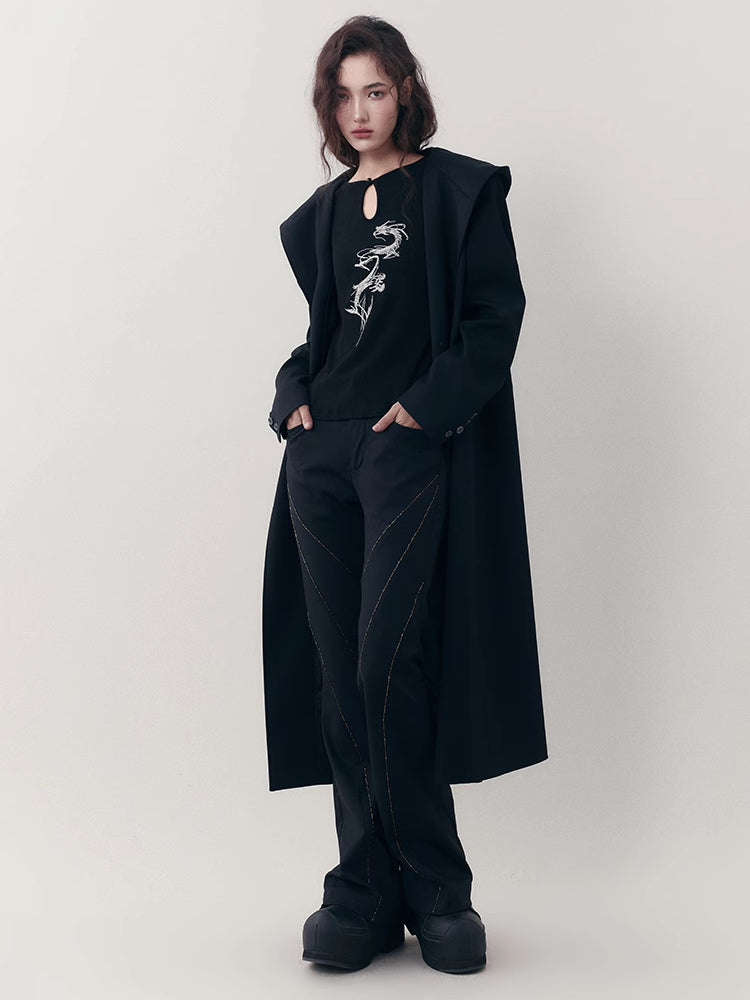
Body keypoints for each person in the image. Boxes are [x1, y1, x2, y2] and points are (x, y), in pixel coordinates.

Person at [262, 15, 548, 975]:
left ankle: (436, 885)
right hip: (320, 456)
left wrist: (422, 411)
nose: (359, 112)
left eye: (375, 91)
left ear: (406, 91)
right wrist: (292, 401)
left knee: (391, 658)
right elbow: (326, 337)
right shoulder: (322, 215)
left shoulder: (458, 191)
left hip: (404, 450)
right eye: (342, 95)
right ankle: (364, 889)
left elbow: (492, 319)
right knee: (337, 672)